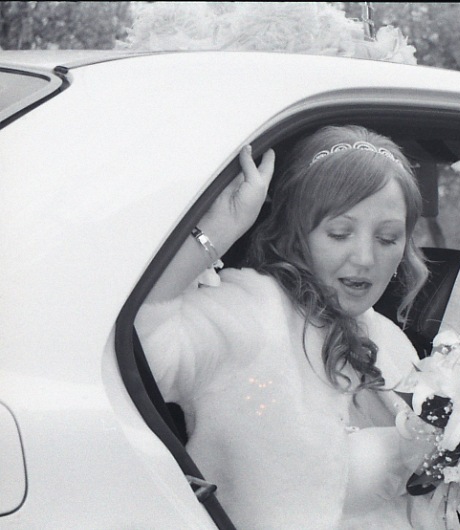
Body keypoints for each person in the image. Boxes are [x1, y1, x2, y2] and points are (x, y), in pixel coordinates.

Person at [135, 125, 439, 529]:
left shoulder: (389, 339)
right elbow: (143, 346)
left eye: (387, 238)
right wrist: (218, 231)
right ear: (297, 234)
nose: (365, 258)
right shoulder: (250, 312)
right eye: (340, 233)